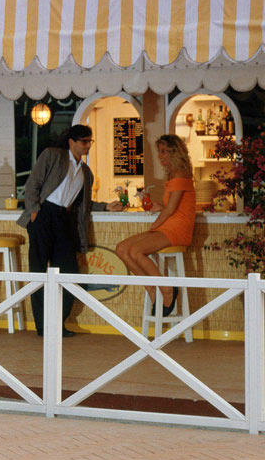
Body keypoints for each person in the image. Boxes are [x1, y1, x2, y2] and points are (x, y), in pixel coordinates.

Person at [16, 124, 115, 337]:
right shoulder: (52, 155)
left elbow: (83, 204)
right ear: (71, 142)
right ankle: (43, 327)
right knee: (39, 273)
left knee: (69, 273)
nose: (88, 145)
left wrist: (107, 206)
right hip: (43, 215)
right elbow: (33, 184)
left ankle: (58, 324)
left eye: (90, 141)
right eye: (84, 141)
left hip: (65, 220)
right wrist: (34, 212)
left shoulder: (86, 172)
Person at [115, 135, 196, 316]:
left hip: (178, 229)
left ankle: (167, 289)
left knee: (136, 251)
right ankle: (152, 290)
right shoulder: (173, 175)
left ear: (175, 152)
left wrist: (153, 227)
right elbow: (170, 207)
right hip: (168, 225)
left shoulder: (180, 175)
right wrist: (159, 207)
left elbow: (170, 211)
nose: (160, 156)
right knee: (121, 249)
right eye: (159, 151)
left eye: (164, 151)